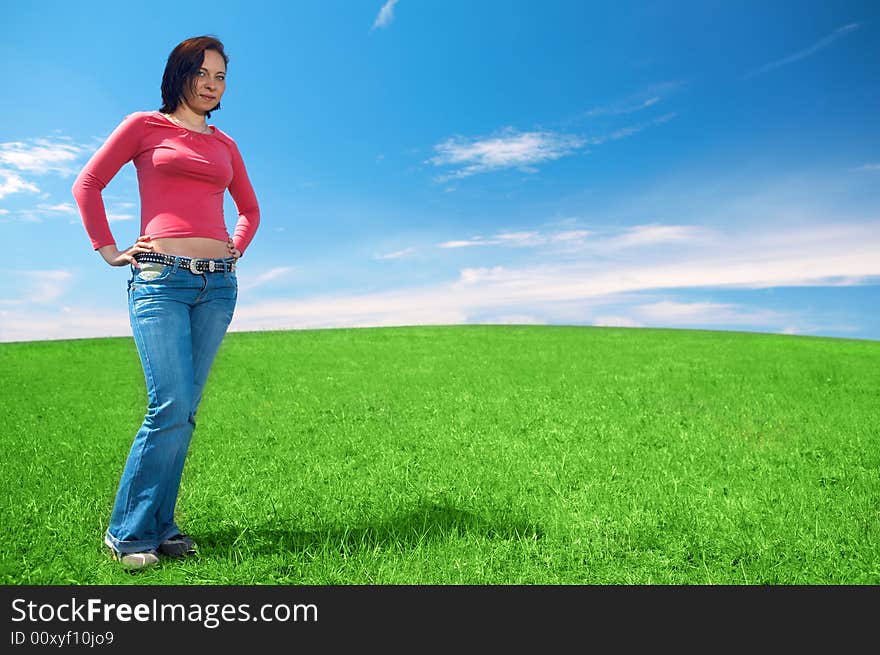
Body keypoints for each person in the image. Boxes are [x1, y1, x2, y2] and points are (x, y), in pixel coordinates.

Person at [71, 35, 260, 570]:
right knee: (169, 405)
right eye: (202, 72)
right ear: (179, 74)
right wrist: (108, 251)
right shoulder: (144, 127)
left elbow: (250, 209)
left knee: (184, 412)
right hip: (160, 280)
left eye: (220, 76)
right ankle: (127, 533)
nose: (211, 83)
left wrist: (234, 248)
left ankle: (162, 525)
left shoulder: (225, 144)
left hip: (217, 286)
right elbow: (88, 184)